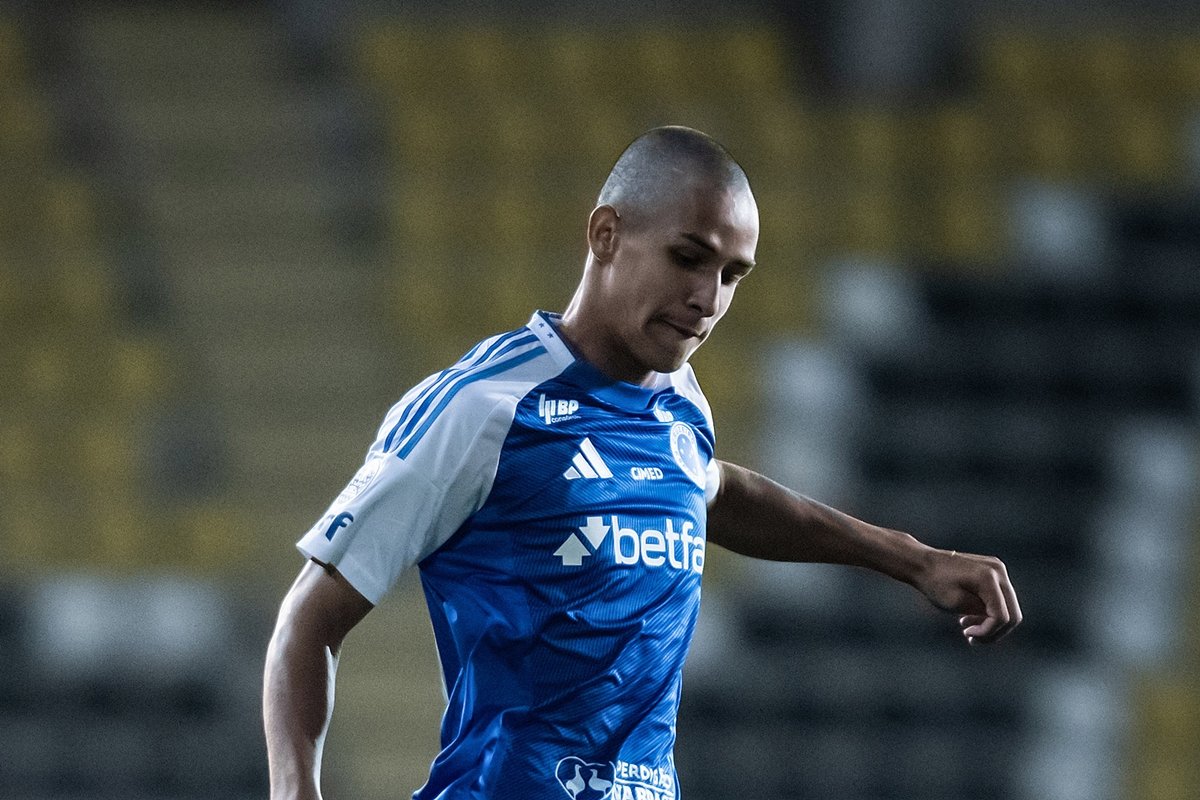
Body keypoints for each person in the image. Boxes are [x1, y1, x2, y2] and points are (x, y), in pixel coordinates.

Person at [263, 126, 1021, 800]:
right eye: (688, 258)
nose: (706, 298)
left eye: (732, 275)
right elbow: (307, 621)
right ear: (605, 234)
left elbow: (711, 488)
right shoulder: (482, 409)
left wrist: (914, 560)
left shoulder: (681, 404)